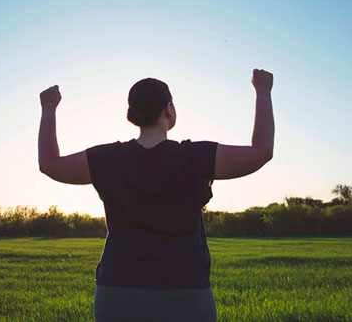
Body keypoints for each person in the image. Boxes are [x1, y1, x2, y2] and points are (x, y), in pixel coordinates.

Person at [38, 69, 274, 321]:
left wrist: (48, 108)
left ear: (133, 113)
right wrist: (263, 92)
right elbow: (261, 152)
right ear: (168, 110)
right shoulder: (195, 157)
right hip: (186, 293)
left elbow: (50, 164)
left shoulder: (106, 159)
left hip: (117, 292)